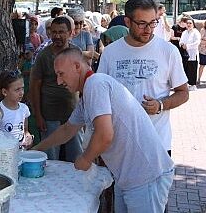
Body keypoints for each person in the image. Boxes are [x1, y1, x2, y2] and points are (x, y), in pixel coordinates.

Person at [34, 48, 174, 213]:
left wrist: (86, 159)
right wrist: (35, 150)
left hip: (146, 178)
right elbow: (66, 130)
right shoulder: (87, 94)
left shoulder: (95, 84)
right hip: (128, 178)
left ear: (77, 66)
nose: (58, 81)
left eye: (61, 74)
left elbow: (105, 134)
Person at [97, 0, 189, 156]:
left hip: (157, 143)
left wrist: (160, 105)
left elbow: (183, 93)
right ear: (127, 22)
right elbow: (100, 96)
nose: (148, 29)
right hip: (118, 145)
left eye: (153, 23)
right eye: (142, 24)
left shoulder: (168, 51)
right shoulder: (110, 53)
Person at [30, 16, 83, 161]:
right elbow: (35, 86)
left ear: (70, 32)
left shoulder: (76, 52)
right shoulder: (44, 55)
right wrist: (38, 116)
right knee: (50, 159)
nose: (57, 36)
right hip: (49, 115)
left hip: (73, 115)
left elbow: (84, 81)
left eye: (61, 32)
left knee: (77, 156)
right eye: (54, 32)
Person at [0, 70, 33, 147]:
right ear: (4, 92)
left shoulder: (24, 109)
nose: (21, 93)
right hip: (4, 154)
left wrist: (28, 137)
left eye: (22, 88)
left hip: (21, 153)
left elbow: (25, 130)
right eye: (17, 90)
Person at [180, 17, 201, 91]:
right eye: (187, 23)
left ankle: (193, 85)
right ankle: (186, 84)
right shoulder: (184, 32)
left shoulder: (196, 32)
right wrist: (182, 44)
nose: (188, 25)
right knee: (185, 69)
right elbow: (181, 40)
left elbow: (197, 42)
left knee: (192, 69)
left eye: (190, 23)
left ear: (193, 24)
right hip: (185, 54)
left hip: (192, 54)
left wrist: (188, 46)